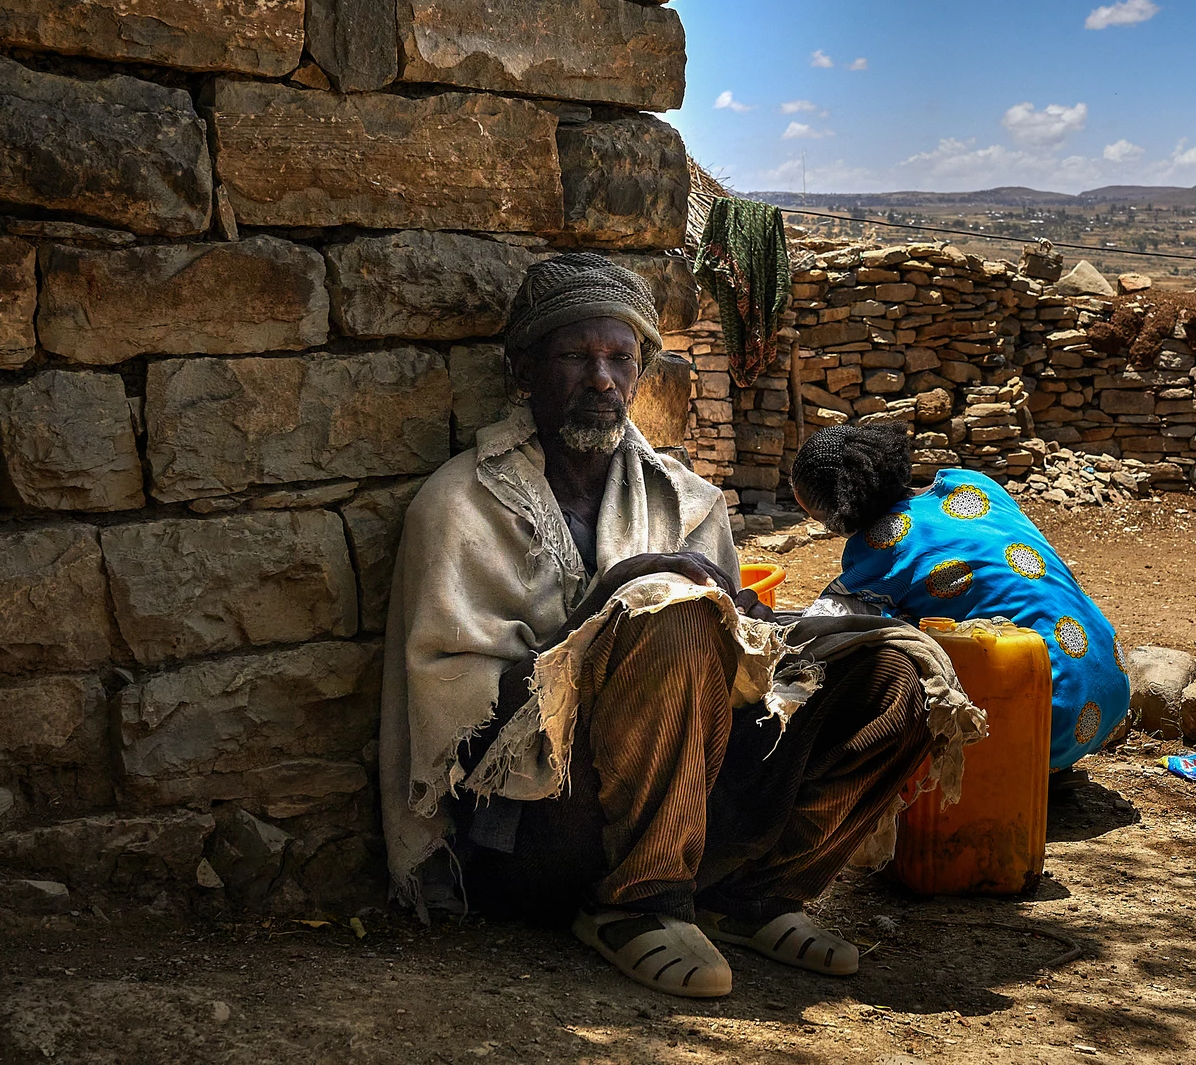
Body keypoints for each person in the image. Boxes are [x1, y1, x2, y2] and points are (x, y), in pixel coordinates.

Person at [377, 254, 941, 999]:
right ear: (523, 372)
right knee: (670, 614)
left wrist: (774, 639)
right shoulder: (457, 509)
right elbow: (457, 732)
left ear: (641, 373)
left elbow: (732, 687)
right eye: (576, 355)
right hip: (537, 835)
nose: (602, 378)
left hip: (689, 805)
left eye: (621, 357)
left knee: (900, 670)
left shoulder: (689, 502)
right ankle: (635, 903)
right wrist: (618, 596)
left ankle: (751, 896)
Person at [791, 423, 1130, 770]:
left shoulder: (878, 547)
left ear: (837, 513)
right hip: (1110, 683)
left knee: (879, 653)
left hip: (1048, 721)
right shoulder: (971, 483)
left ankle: (1020, 771)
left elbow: (823, 627)